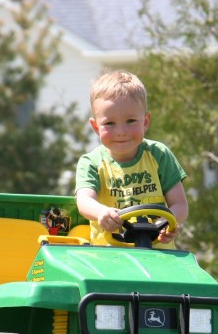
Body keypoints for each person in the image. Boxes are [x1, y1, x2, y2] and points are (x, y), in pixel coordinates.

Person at [75, 70, 189, 248]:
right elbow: (84, 201)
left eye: (130, 121)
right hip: (108, 256)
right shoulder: (91, 163)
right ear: (96, 127)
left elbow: (180, 205)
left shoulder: (159, 155)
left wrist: (165, 223)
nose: (121, 132)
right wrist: (101, 212)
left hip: (159, 255)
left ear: (145, 121)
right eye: (110, 123)